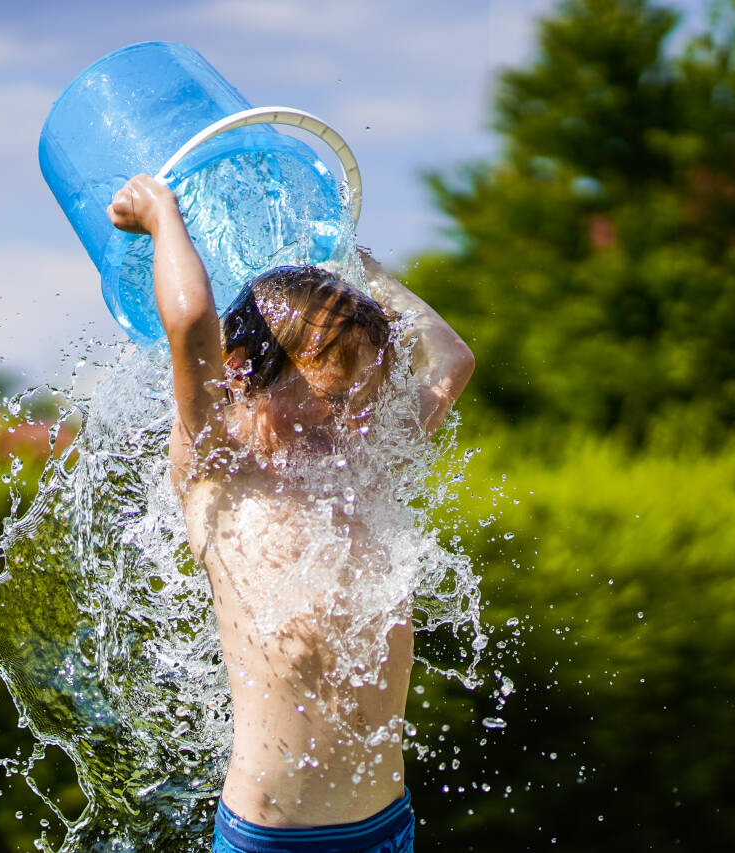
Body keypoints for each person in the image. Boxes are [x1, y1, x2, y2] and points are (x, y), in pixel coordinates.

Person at [107, 175, 474, 853]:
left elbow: (451, 358)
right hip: (272, 843)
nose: (358, 420)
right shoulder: (219, 467)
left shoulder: (360, 470)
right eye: (336, 395)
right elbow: (190, 324)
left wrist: (364, 270)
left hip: (387, 828)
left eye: (367, 397)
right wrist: (162, 217)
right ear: (242, 372)